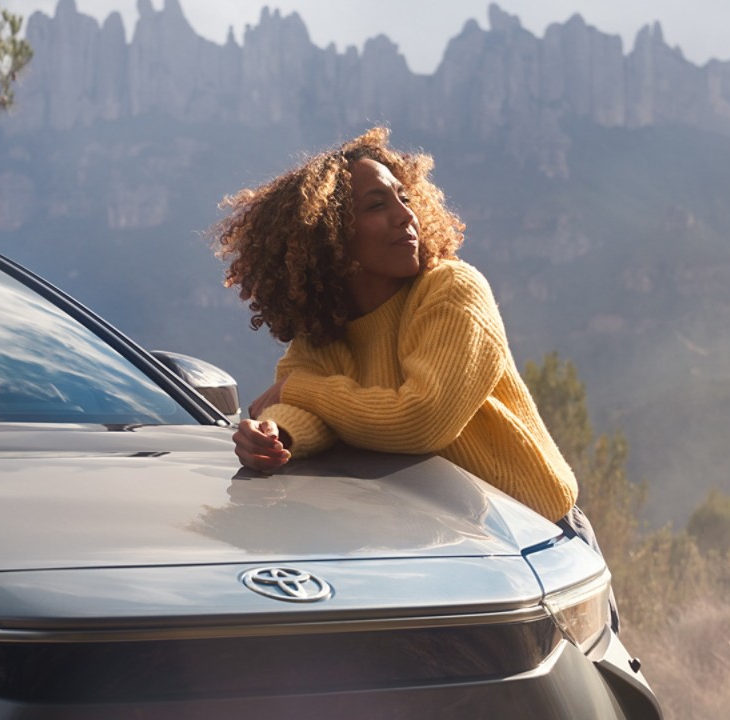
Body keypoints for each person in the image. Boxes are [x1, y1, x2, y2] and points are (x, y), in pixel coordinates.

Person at [212, 127, 616, 627]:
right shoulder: (322, 335)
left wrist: (297, 391)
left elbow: (421, 418)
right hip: (442, 561)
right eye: (378, 205)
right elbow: (302, 412)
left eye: (405, 198)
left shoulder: (452, 289)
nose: (406, 216)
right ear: (330, 235)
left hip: (540, 548)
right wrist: (276, 435)